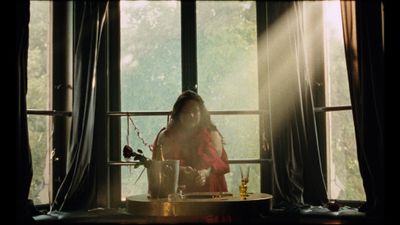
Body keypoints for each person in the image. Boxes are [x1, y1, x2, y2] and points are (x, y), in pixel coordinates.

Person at [152, 90, 230, 193]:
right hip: (177, 191)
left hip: (210, 191)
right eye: (186, 112)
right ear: (178, 114)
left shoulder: (212, 134)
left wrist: (205, 173)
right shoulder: (167, 136)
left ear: (201, 113)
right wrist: (180, 170)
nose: (191, 115)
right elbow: (158, 166)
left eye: (195, 111)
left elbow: (218, 163)